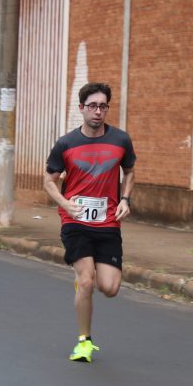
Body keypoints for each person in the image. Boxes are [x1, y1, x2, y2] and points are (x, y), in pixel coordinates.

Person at [43, 82, 136, 363]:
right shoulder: (66, 144)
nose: (98, 111)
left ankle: (85, 284)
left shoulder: (120, 140)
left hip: (108, 222)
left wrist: (125, 199)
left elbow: (129, 172)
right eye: (93, 106)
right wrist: (65, 204)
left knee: (109, 288)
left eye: (103, 106)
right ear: (81, 108)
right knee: (86, 281)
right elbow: (48, 180)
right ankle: (84, 342)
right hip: (75, 220)